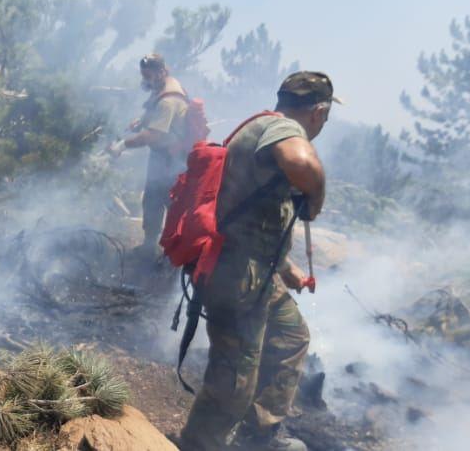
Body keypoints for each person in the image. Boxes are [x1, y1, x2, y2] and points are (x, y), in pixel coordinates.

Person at [178, 71, 338, 451]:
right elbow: (305, 165)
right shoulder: (283, 130)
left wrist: (286, 267)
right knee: (235, 378)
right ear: (317, 112)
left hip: (256, 271)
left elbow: (252, 214)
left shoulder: (263, 126)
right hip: (237, 275)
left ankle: (257, 436)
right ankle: (198, 445)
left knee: (289, 338)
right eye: (326, 118)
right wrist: (315, 200)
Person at [108, 54, 190, 256]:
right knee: (152, 200)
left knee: (172, 206)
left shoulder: (170, 100)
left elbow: (153, 135)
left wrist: (123, 145)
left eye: (148, 76)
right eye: (143, 76)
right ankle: (149, 245)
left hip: (173, 162)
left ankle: (174, 254)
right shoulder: (162, 87)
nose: (145, 81)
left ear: (162, 72)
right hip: (161, 158)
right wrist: (141, 120)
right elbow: (154, 112)